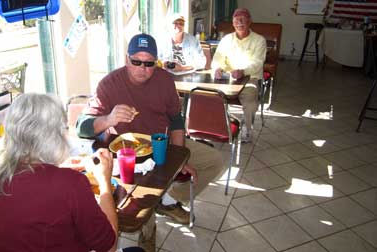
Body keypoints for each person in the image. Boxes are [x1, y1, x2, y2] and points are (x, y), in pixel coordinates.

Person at [76, 33, 224, 225]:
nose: (142, 69)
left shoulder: (165, 80)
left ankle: (167, 199)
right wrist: (109, 119)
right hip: (125, 154)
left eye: (149, 63)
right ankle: (155, 208)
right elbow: (82, 127)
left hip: (162, 144)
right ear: (127, 59)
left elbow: (175, 119)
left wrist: (177, 158)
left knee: (215, 161)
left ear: (156, 62)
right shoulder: (109, 84)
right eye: (136, 62)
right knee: (139, 209)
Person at [0, 93, 143, 252]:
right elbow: (108, 246)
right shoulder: (71, 183)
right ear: (55, 135)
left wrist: (57, 171)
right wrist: (104, 183)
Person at [211, 8, 267, 142]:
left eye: (243, 19)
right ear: (233, 23)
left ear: (249, 22)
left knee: (250, 97)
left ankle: (247, 130)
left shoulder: (259, 40)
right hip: (227, 77)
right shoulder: (227, 39)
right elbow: (217, 58)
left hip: (249, 78)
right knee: (207, 93)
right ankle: (214, 125)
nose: (240, 23)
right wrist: (217, 67)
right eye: (237, 20)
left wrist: (243, 71)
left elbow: (258, 63)